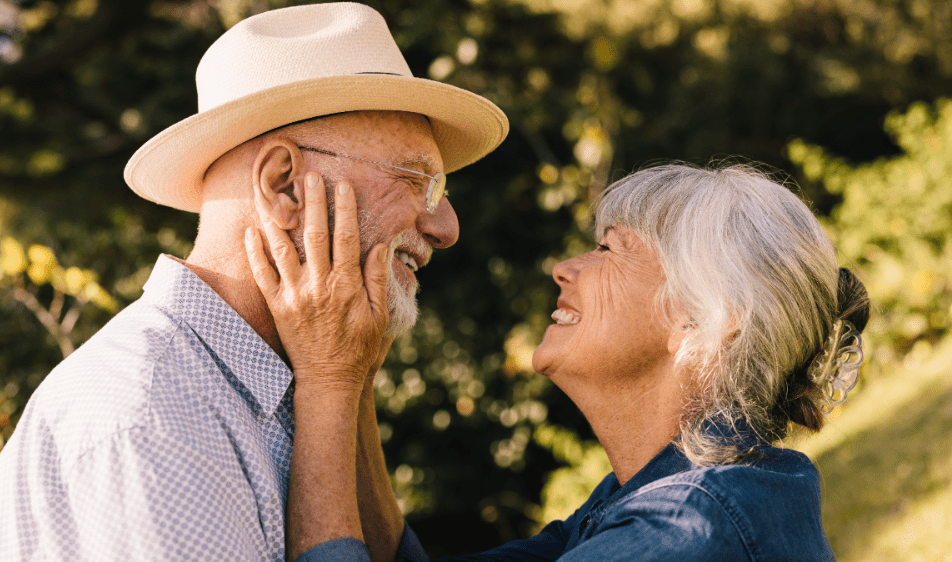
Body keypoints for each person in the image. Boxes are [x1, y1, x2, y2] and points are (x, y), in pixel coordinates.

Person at [0, 3, 508, 561]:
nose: (446, 226)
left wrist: (344, 385)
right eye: (416, 180)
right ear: (282, 186)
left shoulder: (266, 389)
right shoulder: (152, 420)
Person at [253, 162, 870, 561]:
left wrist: (327, 379)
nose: (566, 267)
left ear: (705, 314)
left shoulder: (686, 530)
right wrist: (352, 367)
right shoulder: (660, 493)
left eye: (610, 249)